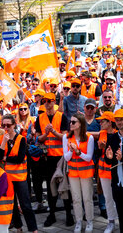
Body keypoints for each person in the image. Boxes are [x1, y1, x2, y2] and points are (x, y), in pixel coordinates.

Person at [36, 91, 72, 228]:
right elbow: (38, 138)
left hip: (61, 157)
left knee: (65, 186)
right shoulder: (40, 118)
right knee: (51, 188)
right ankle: (52, 214)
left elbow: (65, 137)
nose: (47, 103)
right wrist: (46, 134)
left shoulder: (62, 117)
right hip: (48, 158)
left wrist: (53, 132)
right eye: (45, 101)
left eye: (50, 101)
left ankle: (69, 214)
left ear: (54, 102)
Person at [0, 114, 37, 233]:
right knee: (13, 205)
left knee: (25, 204)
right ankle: (18, 227)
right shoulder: (2, 139)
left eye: (8, 125)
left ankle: (33, 229)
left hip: (20, 177)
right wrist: (3, 143)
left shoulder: (21, 139)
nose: (6, 127)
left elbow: (20, 158)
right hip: (8, 177)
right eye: (3, 125)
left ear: (14, 125)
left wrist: (6, 158)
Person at [64, 112, 94, 233]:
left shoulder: (89, 137)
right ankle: (78, 221)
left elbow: (89, 157)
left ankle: (89, 221)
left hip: (86, 172)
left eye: (73, 122)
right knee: (76, 198)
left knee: (87, 198)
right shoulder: (66, 137)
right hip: (73, 173)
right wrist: (71, 151)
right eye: (70, 122)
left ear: (80, 124)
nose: (71, 124)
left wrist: (78, 152)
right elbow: (66, 157)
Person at [95, 111, 117, 233]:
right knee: (108, 197)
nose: (100, 122)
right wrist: (99, 148)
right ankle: (111, 222)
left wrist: (105, 146)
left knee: (119, 197)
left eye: (103, 121)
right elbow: (98, 154)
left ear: (109, 122)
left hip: (115, 171)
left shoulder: (117, 134)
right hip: (103, 171)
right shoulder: (101, 133)